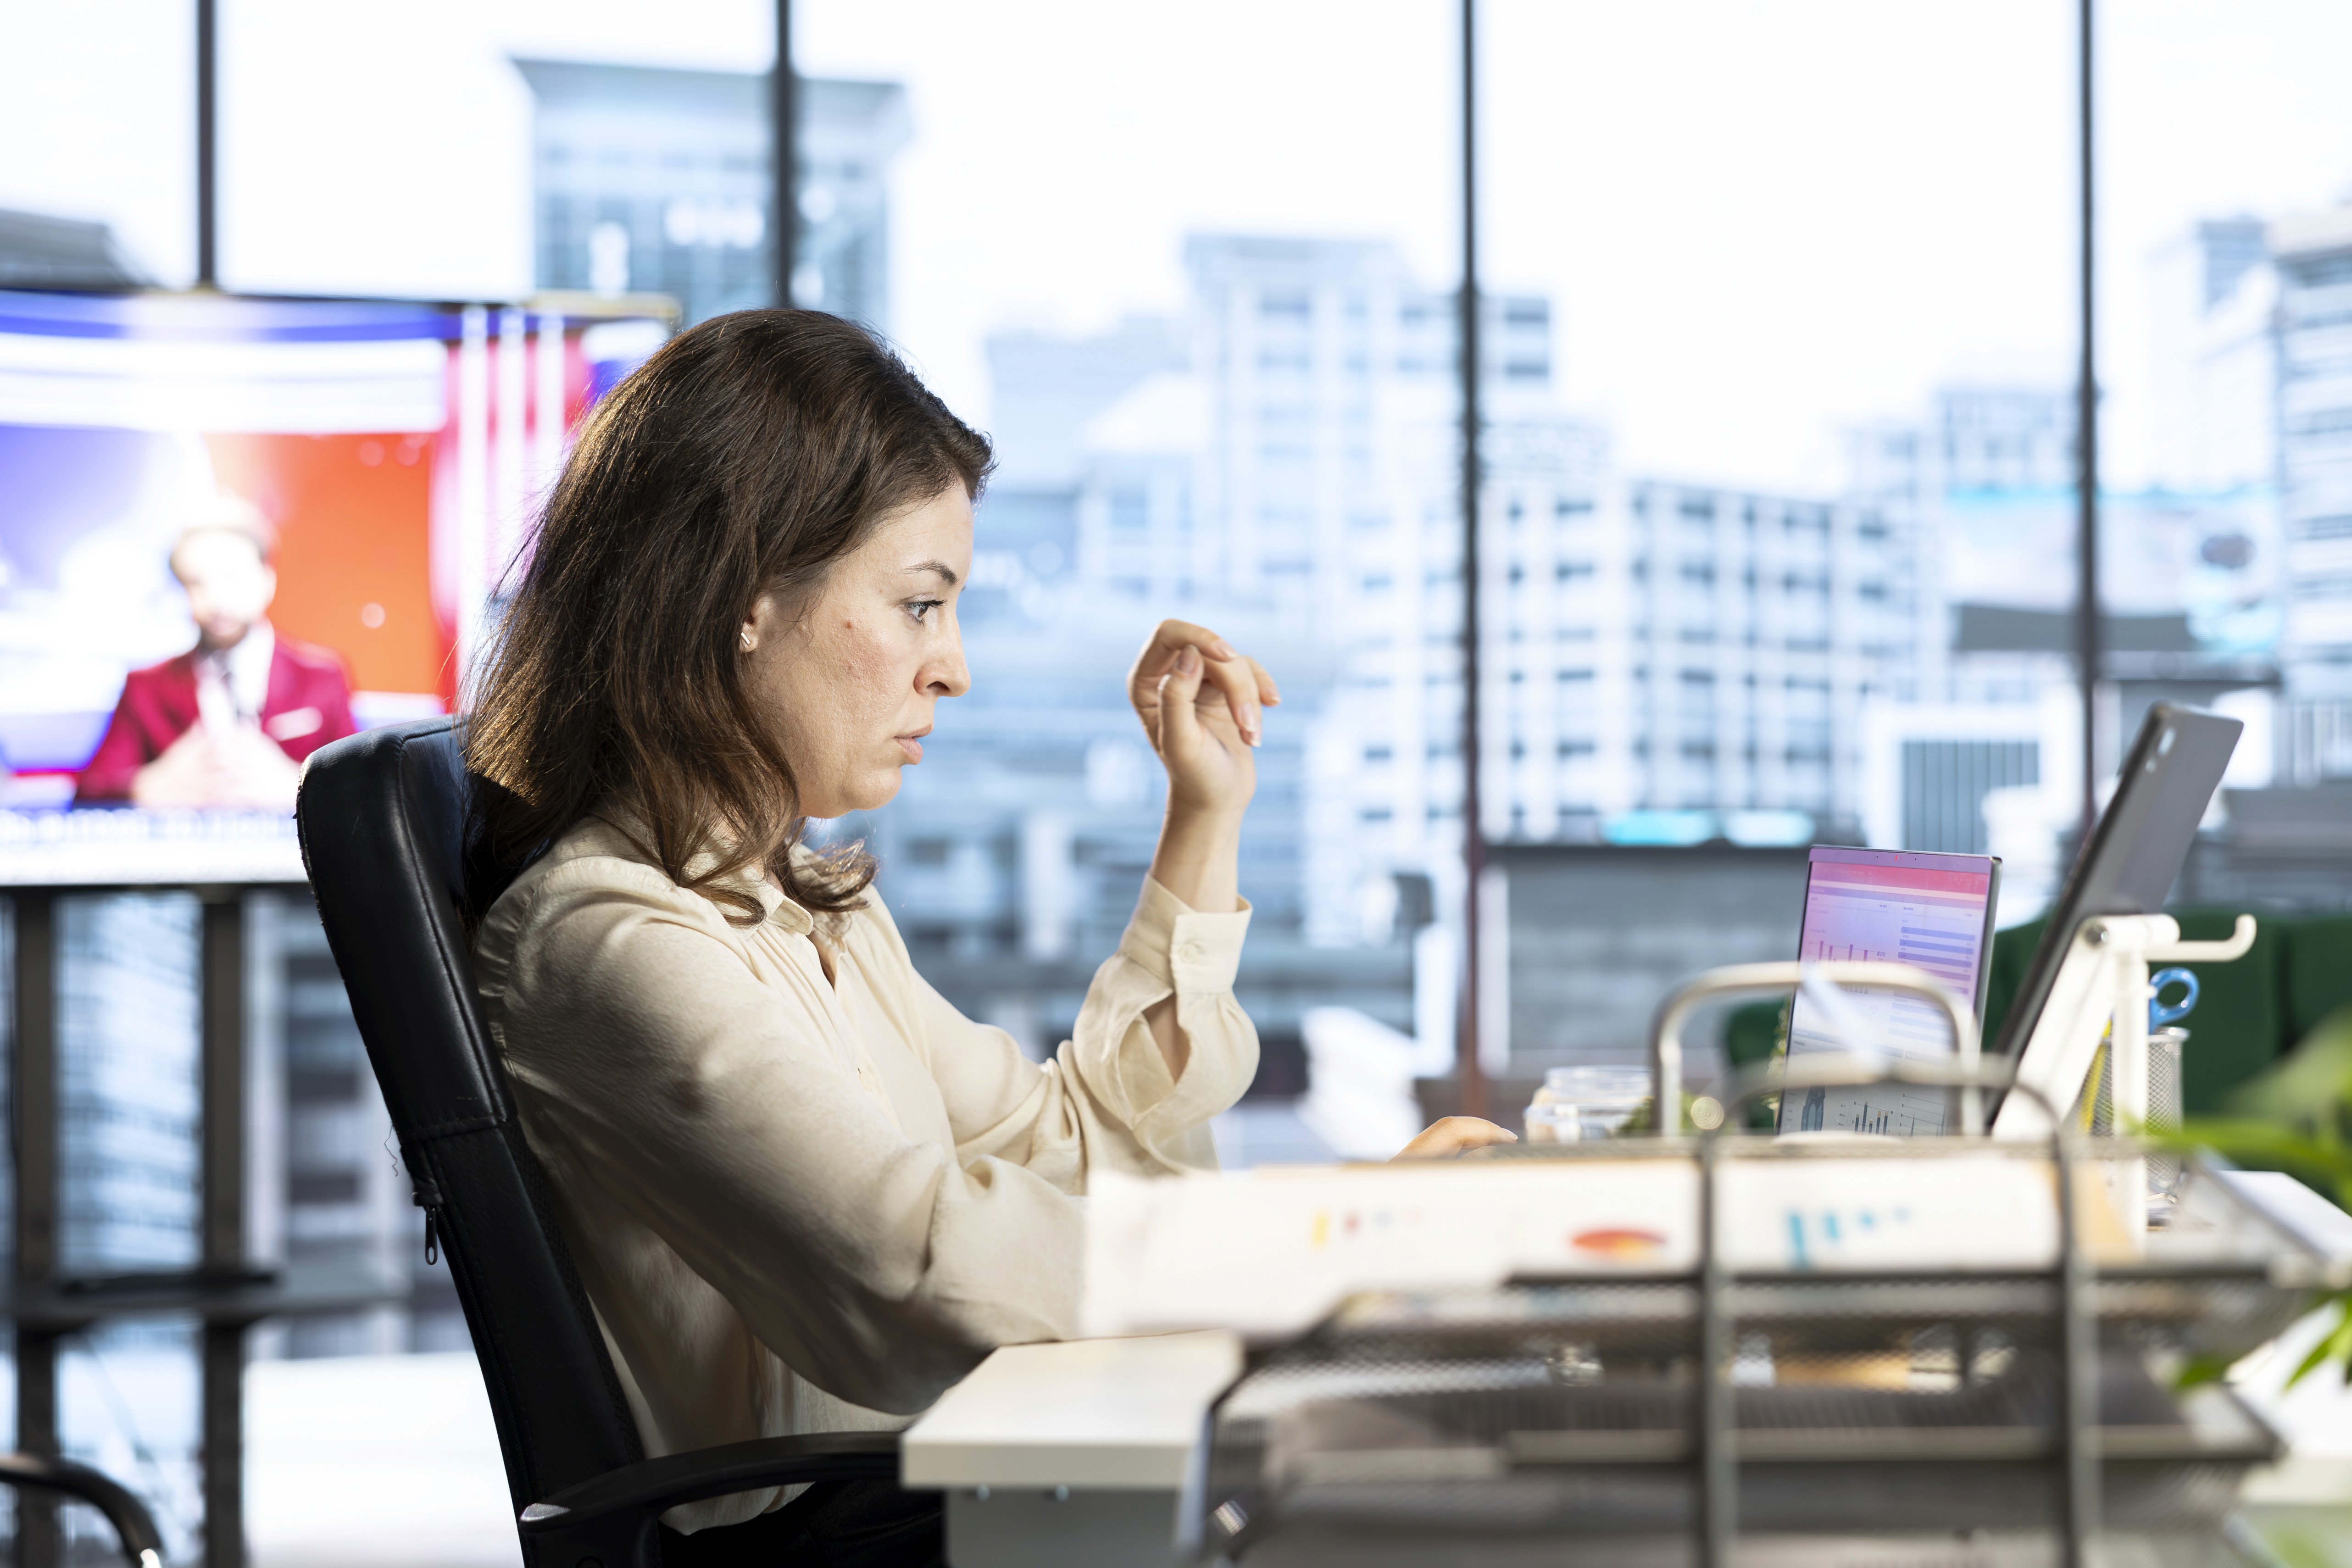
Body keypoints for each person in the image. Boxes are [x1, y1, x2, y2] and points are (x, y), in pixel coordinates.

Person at [462, 310, 1512, 1568]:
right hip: (839, 1538)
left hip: (934, 1490)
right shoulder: (607, 943)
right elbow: (920, 1271)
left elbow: (1060, 1147)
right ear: (742, 601)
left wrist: (1202, 815)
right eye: (917, 605)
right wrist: (1350, 1243)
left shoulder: (798, 906)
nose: (949, 668)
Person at [75, 500, 357, 807]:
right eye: (197, 582)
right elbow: (90, 791)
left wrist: (297, 786)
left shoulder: (320, 677)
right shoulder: (145, 687)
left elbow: (361, 789)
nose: (217, 598)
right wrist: (148, 786)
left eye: (232, 576)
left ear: (267, 579)